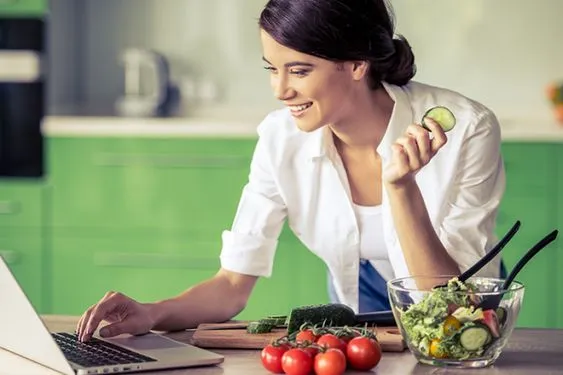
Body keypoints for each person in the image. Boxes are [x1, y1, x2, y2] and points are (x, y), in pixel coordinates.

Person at [76, 0, 505, 342]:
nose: (281, 90)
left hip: (454, 292)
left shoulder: (468, 128)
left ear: (357, 64)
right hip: (359, 302)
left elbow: (453, 305)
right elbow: (231, 285)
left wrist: (402, 186)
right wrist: (151, 312)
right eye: (272, 69)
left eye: (299, 70)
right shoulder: (281, 138)